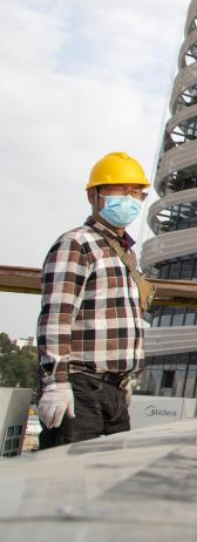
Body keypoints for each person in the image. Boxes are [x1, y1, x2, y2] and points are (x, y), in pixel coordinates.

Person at [37, 152, 152, 448]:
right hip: (80, 390)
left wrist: (124, 382)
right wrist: (56, 383)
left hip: (115, 393)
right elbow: (57, 316)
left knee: (105, 486)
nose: (131, 200)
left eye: (137, 193)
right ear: (94, 195)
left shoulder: (125, 254)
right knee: (65, 485)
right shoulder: (77, 243)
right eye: (121, 191)